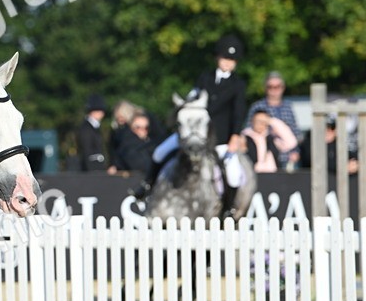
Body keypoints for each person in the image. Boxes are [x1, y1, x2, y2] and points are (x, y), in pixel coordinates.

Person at [134, 34, 249, 216]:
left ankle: (228, 208)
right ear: (217, 57)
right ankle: (147, 186)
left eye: (232, 60)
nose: (228, 63)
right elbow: (192, 97)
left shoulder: (238, 84)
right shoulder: (205, 77)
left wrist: (235, 135)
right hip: (191, 132)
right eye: (225, 58)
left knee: (233, 173)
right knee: (160, 152)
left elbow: (238, 112)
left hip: (220, 137)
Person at [245, 71, 301, 170]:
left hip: (287, 157)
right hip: (263, 157)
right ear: (265, 88)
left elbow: (294, 131)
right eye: (270, 87)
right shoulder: (257, 107)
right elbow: (248, 131)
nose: (274, 90)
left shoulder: (288, 107)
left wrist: (295, 151)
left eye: (277, 86)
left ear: (283, 88)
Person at [242, 109, 299, 174]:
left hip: (273, 175)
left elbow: (291, 142)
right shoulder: (245, 138)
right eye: (258, 121)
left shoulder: (271, 138)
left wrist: (272, 121)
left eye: (263, 121)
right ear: (252, 121)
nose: (261, 124)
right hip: (252, 175)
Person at [112, 111, 156, 177]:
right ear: (131, 127)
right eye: (138, 127)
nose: (142, 130)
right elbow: (141, 166)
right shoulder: (128, 145)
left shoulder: (149, 143)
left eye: (146, 127)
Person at [76, 94, 108, 172]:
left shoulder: (95, 127)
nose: (102, 113)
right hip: (92, 169)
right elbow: (87, 152)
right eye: (98, 110)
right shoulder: (86, 129)